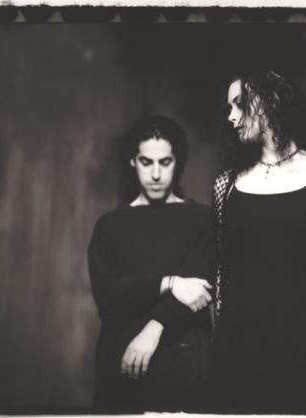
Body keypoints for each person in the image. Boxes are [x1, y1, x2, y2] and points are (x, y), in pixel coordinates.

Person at [207, 70, 306, 414]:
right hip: (238, 346)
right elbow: (223, 273)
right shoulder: (225, 185)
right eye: (228, 107)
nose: (231, 116)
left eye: (239, 104)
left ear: (270, 101)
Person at [88, 115, 215, 413]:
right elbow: (108, 297)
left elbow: (199, 290)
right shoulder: (110, 226)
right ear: (133, 162)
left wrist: (152, 330)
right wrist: (169, 283)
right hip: (122, 364)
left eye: (165, 162)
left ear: (177, 162)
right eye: (146, 162)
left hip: (182, 363)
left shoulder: (202, 220)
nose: (156, 174)